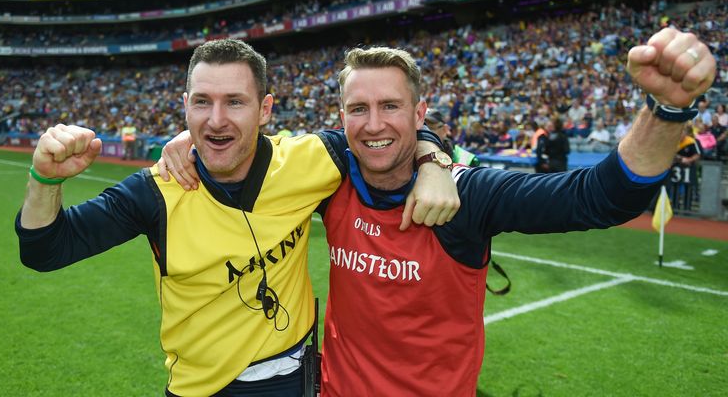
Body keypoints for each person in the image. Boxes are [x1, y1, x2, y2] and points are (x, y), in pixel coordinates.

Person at [161, 28, 716, 395]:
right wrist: (186, 141)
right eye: (359, 108)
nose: (374, 123)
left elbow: (601, 196)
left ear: (420, 111)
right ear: (341, 116)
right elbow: (239, 142)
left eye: (391, 107)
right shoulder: (329, 180)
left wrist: (667, 111)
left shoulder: (467, 197)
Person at [15, 39, 458, 397]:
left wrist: (433, 159)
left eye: (235, 102)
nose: (217, 118)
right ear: (185, 106)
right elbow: (45, 250)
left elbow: (388, 132)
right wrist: (43, 180)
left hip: (295, 378)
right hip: (201, 388)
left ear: (265, 109)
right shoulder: (155, 191)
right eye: (203, 103)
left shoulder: (315, 159)